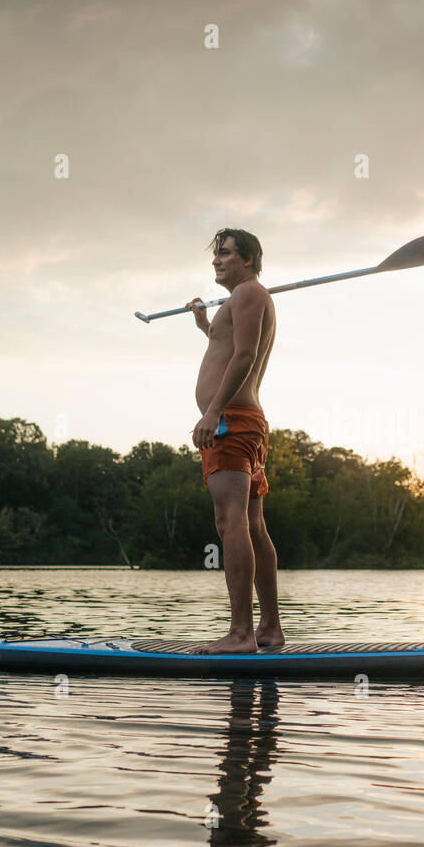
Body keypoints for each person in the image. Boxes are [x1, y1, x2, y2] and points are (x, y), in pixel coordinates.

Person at [187, 229, 284, 654]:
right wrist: (206, 325)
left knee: (231, 523)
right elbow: (229, 347)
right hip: (247, 422)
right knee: (253, 526)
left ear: (247, 258)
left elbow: (244, 356)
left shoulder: (247, 293)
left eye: (224, 253)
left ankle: (241, 633)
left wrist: (212, 412)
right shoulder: (246, 298)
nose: (216, 261)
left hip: (232, 423)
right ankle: (269, 629)